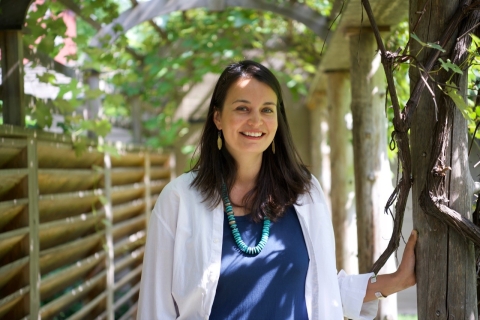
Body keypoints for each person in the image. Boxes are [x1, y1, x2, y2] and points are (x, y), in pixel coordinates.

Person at [137, 60, 417, 319]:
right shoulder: (179, 199)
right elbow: (155, 307)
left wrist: (396, 281)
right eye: (242, 108)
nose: (256, 121)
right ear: (218, 118)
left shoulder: (305, 192)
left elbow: (322, 289)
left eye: (267, 110)